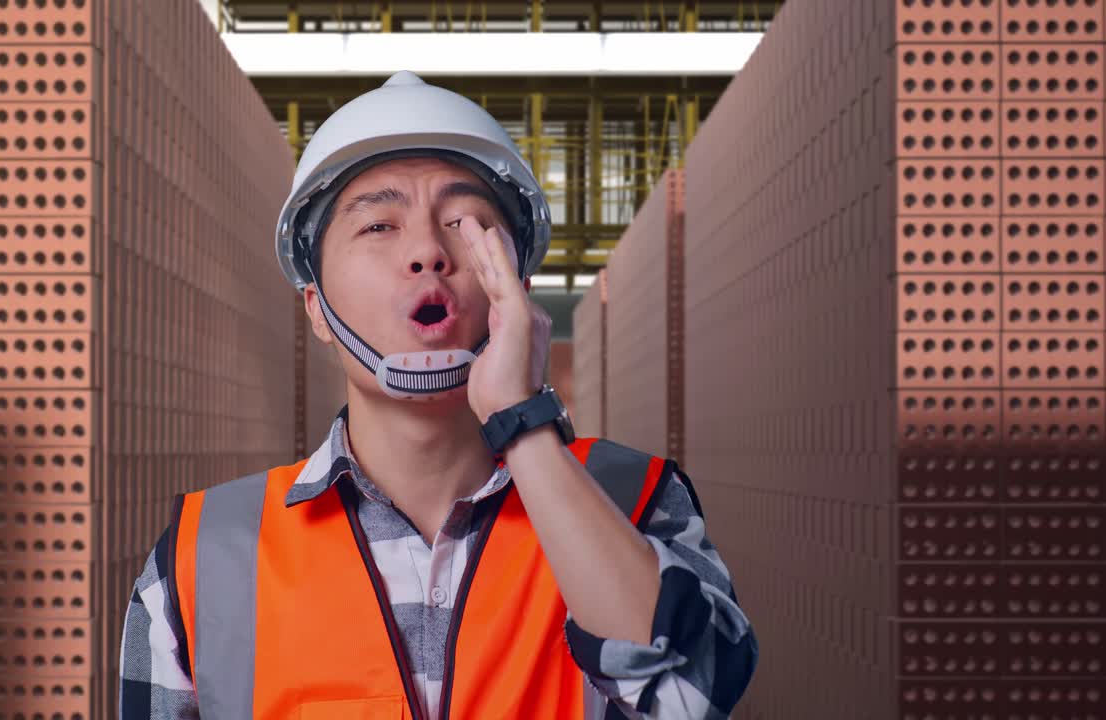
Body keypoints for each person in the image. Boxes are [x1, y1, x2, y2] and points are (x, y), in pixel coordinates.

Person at [118, 70, 757, 720]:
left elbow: (694, 694)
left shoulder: (632, 500)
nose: (426, 250)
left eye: (464, 222)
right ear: (316, 306)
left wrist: (526, 425)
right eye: (378, 227)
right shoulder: (204, 556)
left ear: (516, 283)